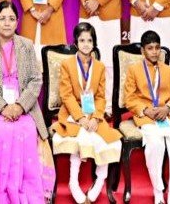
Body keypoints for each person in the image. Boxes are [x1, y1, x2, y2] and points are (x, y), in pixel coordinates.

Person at [0, 1, 55, 202]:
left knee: (26, 130)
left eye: (11, 19)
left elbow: (36, 80)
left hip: (23, 106)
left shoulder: (26, 45)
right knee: (1, 131)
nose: (7, 23)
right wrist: (2, 107)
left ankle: (24, 189)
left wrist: (20, 106)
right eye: (2, 18)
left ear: (17, 22)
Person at [52, 22, 121, 204]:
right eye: (82, 40)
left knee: (106, 139)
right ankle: (73, 182)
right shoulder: (67, 64)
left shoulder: (99, 66)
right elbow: (66, 95)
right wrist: (81, 118)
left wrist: (96, 118)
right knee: (81, 136)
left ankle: (99, 181)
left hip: (93, 114)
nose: (86, 44)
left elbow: (100, 97)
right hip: (72, 113)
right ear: (75, 43)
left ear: (94, 43)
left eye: (89, 40)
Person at [123, 30, 170, 204]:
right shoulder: (134, 70)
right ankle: (158, 191)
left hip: (167, 117)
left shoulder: (168, 70)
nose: (154, 52)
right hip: (146, 117)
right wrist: (145, 110)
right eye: (150, 48)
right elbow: (129, 99)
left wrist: (167, 108)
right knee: (156, 144)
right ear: (143, 50)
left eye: (157, 48)